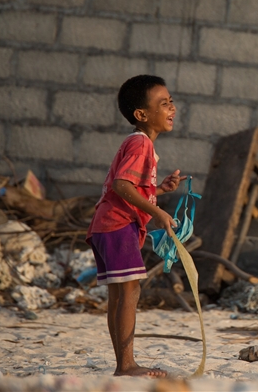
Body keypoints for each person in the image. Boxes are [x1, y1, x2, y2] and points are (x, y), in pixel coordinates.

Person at [87, 75, 185, 378]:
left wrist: (160, 190)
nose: (172, 108)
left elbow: (131, 186)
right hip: (118, 226)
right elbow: (121, 185)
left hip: (106, 226)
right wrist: (157, 212)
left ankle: (123, 364)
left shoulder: (138, 144)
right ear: (141, 115)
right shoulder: (140, 143)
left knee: (120, 295)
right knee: (129, 292)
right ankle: (126, 365)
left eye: (171, 102)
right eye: (164, 103)